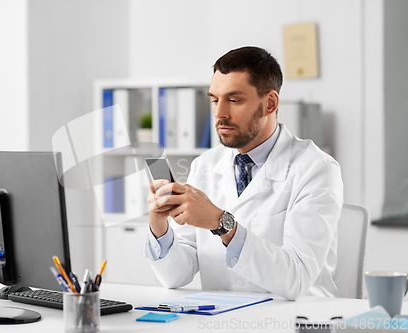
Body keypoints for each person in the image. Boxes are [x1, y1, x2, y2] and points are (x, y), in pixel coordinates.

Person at [144, 46, 343, 300]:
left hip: (293, 320)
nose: (219, 113)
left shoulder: (316, 169)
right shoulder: (205, 165)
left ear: (270, 103)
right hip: (221, 319)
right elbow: (176, 275)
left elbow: (297, 278)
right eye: (215, 99)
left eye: (234, 100)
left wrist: (221, 223)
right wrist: (159, 226)